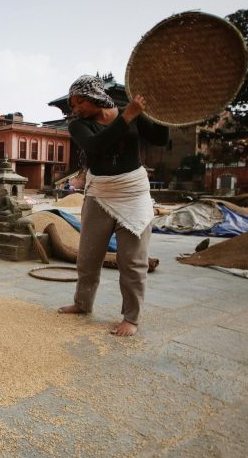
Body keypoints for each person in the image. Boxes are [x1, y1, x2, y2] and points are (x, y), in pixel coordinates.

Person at [58, 75, 169, 337]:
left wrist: (161, 113)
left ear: (95, 95)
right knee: (88, 258)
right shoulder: (79, 126)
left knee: (132, 261)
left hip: (133, 194)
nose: (76, 109)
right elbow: (96, 145)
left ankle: (131, 317)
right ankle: (82, 303)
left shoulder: (129, 114)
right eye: (72, 105)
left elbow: (160, 137)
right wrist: (127, 117)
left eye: (79, 102)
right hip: (100, 195)